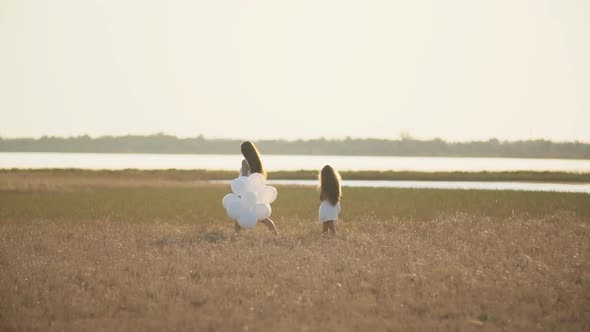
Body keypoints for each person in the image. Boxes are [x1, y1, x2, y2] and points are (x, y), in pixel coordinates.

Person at [235, 141, 279, 236]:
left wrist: (240, 194)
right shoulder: (257, 162)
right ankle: (276, 234)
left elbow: (244, 179)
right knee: (263, 217)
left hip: (246, 193)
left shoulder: (244, 162)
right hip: (255, 192)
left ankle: (236, 235)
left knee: (239, 214)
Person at [318, 165, 341, 235]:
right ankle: (325, 238)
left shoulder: (324, 185)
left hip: (326, 206)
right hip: (334, 205)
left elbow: (322, 197)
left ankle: (335, 237)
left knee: (329, 224)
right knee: (328, 223)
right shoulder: (336, 183)